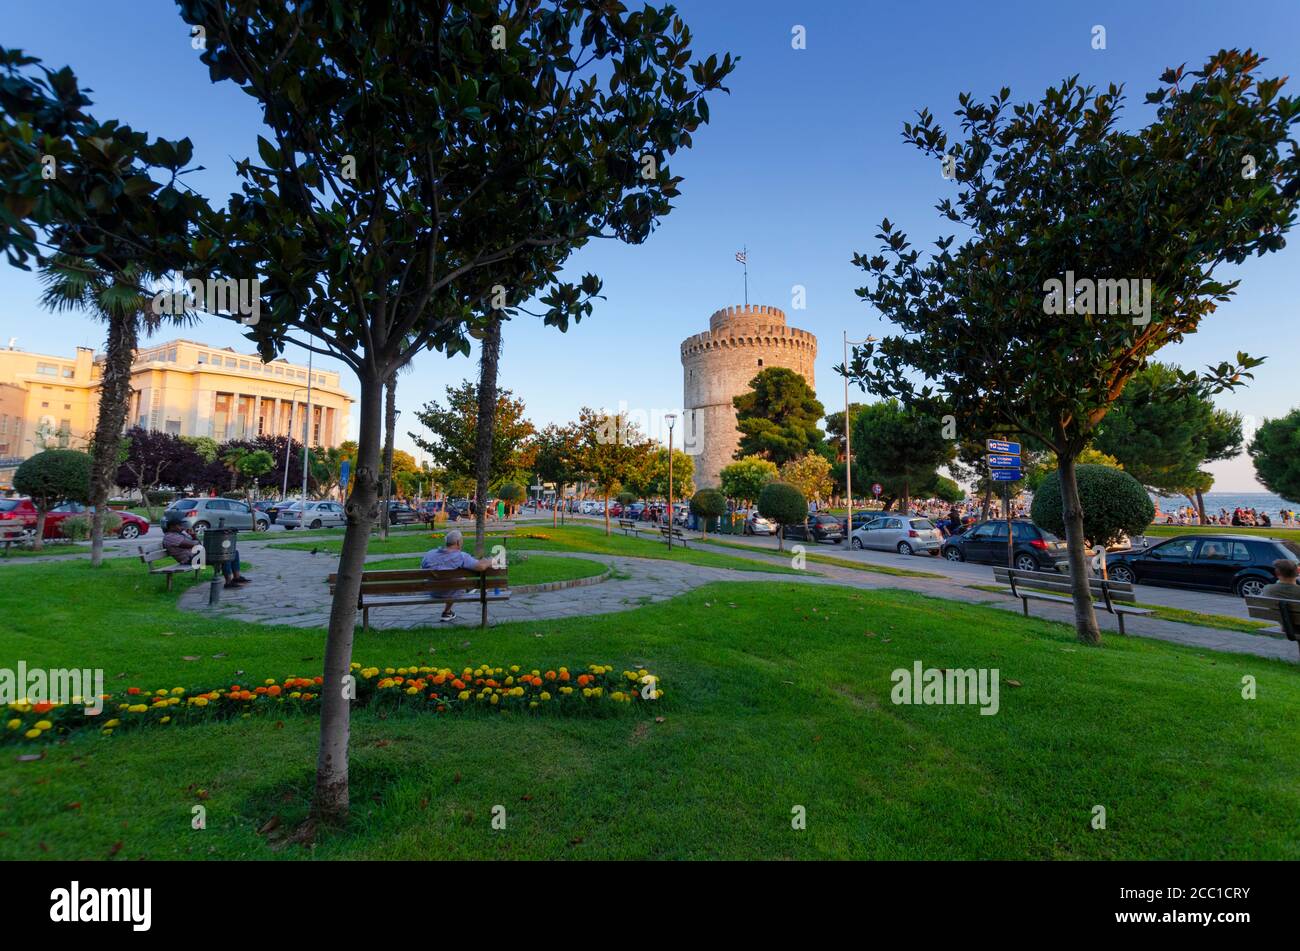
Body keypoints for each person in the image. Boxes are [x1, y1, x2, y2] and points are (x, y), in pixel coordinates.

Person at [420, 528, 493, 622]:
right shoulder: (461, 556)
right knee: (456, 582)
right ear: (458, 542)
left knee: (452, 581)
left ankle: (447, 612)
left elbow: (422, 568)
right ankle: (468, 589)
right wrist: (491, 560)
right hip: (452, 591)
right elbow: (481, 566)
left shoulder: (429, 554)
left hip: (433, 591)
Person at [163, 517, 249, 588]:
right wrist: (194, 541)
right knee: (222, 556)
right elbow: (193, 545)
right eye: (179, 526)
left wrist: (194, 536)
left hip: (196, 556)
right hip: (189, 559)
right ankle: (228, 582)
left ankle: (236, 577)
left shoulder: (180, 535)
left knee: (233, 552)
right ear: (172, 527)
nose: (182, 528)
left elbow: (198, 544)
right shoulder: (170, 537)